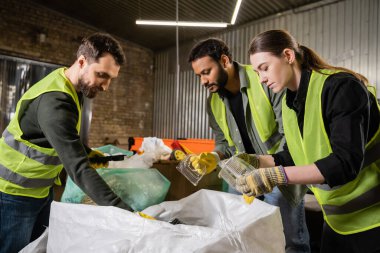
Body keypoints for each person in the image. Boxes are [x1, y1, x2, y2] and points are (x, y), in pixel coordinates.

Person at [236, 29, 380, 253]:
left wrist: (276, 176)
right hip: (336, 222)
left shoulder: (341, 87)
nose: (262, 78)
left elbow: (345, 163)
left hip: (372, 221)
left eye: (264, 68)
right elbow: (296, 154)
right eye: (256, 72)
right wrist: (256, 161)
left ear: (288, 56)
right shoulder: (289, 102)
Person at [0, 33, 133, 253]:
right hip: (14, 194)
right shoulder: (55, 101)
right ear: (82, 61)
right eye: (102, 75)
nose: (106, 86)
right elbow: (78, 169)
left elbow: (57, 138)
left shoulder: (71, 86)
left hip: (41, 190)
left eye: (111, 78)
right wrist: (125, 213)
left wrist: (86, 152)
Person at [187, 38, 310, 253]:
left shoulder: (265, 80)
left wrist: (272, 170)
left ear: (224, 60)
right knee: (241, 233)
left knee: (288, 240)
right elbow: (224, 144)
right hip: (241, 173)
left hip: (278, 171)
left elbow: (289, 136)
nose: (203, 81)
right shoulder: (213, 102)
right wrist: (213, 157)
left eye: (206, 72)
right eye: (199, 76)